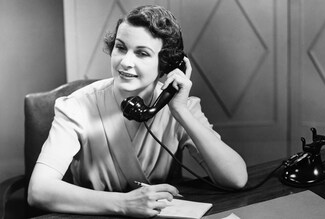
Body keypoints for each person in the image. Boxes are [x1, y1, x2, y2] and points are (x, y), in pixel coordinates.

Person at [28, 5, 248, 218]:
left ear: (167, 64)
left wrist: (180, 111)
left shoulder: (182, 107)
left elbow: (236, 179)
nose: (125, 62)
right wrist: (124, 204)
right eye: (120, 47)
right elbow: (38, 191)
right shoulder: (76, 106)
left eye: (142, 53)